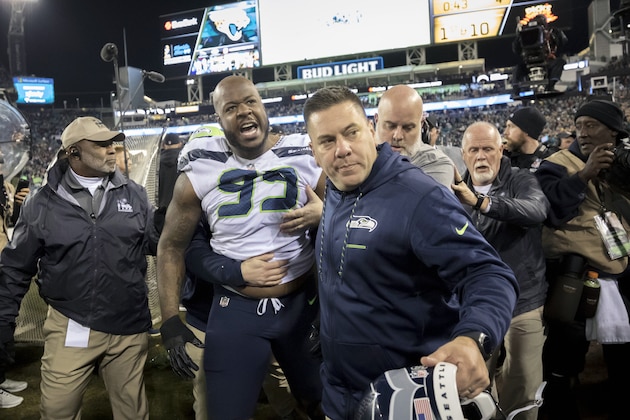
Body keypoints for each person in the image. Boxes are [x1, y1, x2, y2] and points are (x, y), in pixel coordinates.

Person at [303, 85, 519, 419]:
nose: (342, 150)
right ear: (313, 151)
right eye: (327, 141)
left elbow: (488, 273)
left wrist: (472, 338)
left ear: (371, 130)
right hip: (340, 396)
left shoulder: (419, 196)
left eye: (351, 133)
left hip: (407, 400)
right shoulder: (335, 187)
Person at [157, 75, 325, 419]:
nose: (243, 112)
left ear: (263, 107)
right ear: (219, 120)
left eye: (250, 101)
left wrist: (327, 213)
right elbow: (172, 246)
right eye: (230, 108)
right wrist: (170, 318)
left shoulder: (306, 154)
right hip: (236, 307)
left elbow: (348, 230)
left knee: (320, 402)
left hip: (302, 304)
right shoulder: (201, 165)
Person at [0, 116, 160, 418]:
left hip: (128, 324)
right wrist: (4, 320)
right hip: (72, 322)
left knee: (133, 413)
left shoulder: (135, 194)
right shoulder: (41, 204)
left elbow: (155, 243)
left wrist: (167, 226)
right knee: (57, 410)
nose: (112, 149)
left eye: (113, 142)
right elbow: (14, 267)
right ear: (73, 152)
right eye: (101, 144)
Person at [535, 99, 630, 420]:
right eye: (579, 126)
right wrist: (584, 174)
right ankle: (559, 406)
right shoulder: (558, 162)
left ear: (613, 132)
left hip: (619, 264)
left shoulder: (623, 162)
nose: (583, 132)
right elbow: (549, 207)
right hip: (572, 273)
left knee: (622, 347)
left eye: (592, 125)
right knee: (566, 351)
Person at [452, 121, 549, 420]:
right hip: (476, 305)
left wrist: (483, 203)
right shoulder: (451, 190)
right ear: (463, 154)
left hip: (523, 300)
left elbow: (536, 210)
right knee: (472, 387)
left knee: (523, 385)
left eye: (488, 149)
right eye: (474, 150)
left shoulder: (520, 180)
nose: (481, 156)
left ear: (501, 150)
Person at [373, 84, 455, 189]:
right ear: (376, 121)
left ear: (421, 125)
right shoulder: (359, 158)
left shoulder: (437, 164)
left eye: (408, 127)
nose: (397, 136)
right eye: (390, 126)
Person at [0, 167, 30, 409]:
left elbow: (9, 221)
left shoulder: (6, 186)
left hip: (2, 258)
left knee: (4, 324)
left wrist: (18, 204)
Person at [512, 14, 567, 91]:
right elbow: (516, 49)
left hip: (547, 60)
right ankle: (515, 89)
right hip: (529, 63)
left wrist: (554, 36)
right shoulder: (524, 34)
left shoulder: (551, 32)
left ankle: (550, 86)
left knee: (560, 62)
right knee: (517, 69)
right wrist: (519, 37)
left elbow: (563, 41)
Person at [503, 106, 552, 171]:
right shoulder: (504, 158)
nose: (505, 132)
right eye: (506, 126)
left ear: (526, 131)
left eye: (511, 126)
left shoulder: (549, 162)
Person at [157, 132, 184, 209]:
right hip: (181, 207)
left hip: (161, 207)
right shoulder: (185, 161)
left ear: (164, 145)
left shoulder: (155, 163)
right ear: (180, 144)